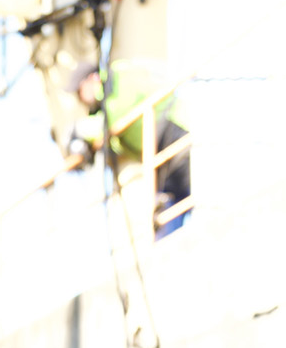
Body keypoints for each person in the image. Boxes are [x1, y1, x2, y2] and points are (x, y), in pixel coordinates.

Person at [66, 62, 193, 238]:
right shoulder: (107, 98)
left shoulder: (119, 78)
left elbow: (117, 115)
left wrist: (79, 130)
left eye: (80, 92)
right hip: (159, 153)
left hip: (174, 132)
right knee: (167, 211)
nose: (80, 99)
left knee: (179, 199)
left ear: (92, 79)